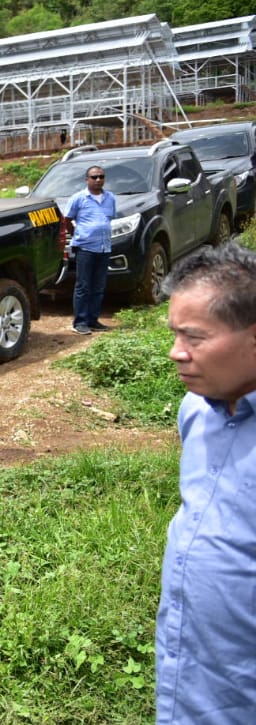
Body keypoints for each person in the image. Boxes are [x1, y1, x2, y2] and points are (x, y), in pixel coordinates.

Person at [156, 242, 256, 723]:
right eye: (175, 334)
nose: (177, 353)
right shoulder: (196, 409)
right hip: (188, 676)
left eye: (195, 338)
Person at [64, 165, 116, 335]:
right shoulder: (78, 198)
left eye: (101, 176)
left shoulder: (110, 198)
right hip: (85, 248)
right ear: (87, 180)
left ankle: (93, 320)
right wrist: (78, 235)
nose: (98, 180)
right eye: (94, 177)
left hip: (104, 248)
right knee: (83, 286)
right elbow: (67, 220)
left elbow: (108, 220)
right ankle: (80, 322)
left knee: (99, 287)